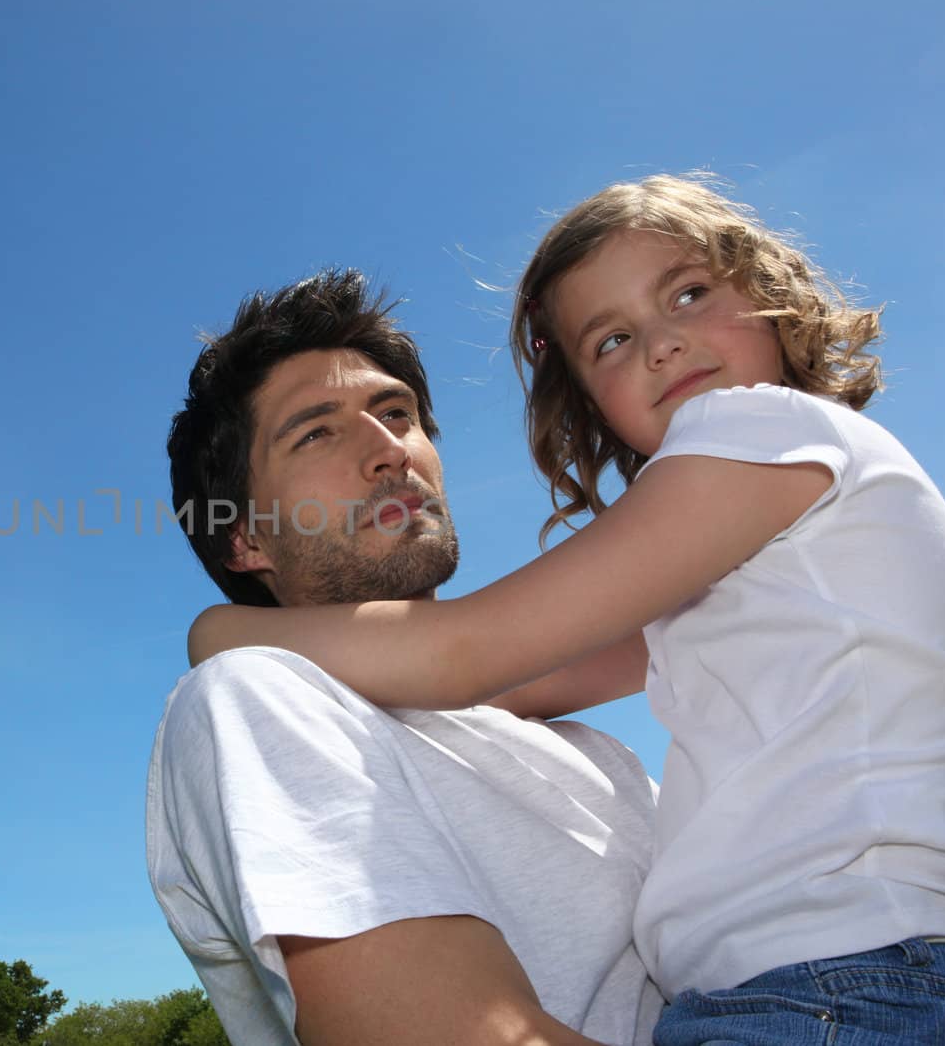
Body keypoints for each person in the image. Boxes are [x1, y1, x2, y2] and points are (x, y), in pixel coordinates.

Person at [190, 176, 945, 1044]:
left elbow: (470, 654)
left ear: (773, 297)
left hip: (861, 983)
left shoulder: (766, 432)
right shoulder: (740, 566)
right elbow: (516, 678)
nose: (663, 344)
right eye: (613, 339)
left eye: (691, 292)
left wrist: (221, 629)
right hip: (840, 984)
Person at [149, 269, 664, 1046]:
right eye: (316, 431)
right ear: (245, 537)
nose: (390, 448)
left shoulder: (591, 750)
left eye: (398, 413)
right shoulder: (254, 699)